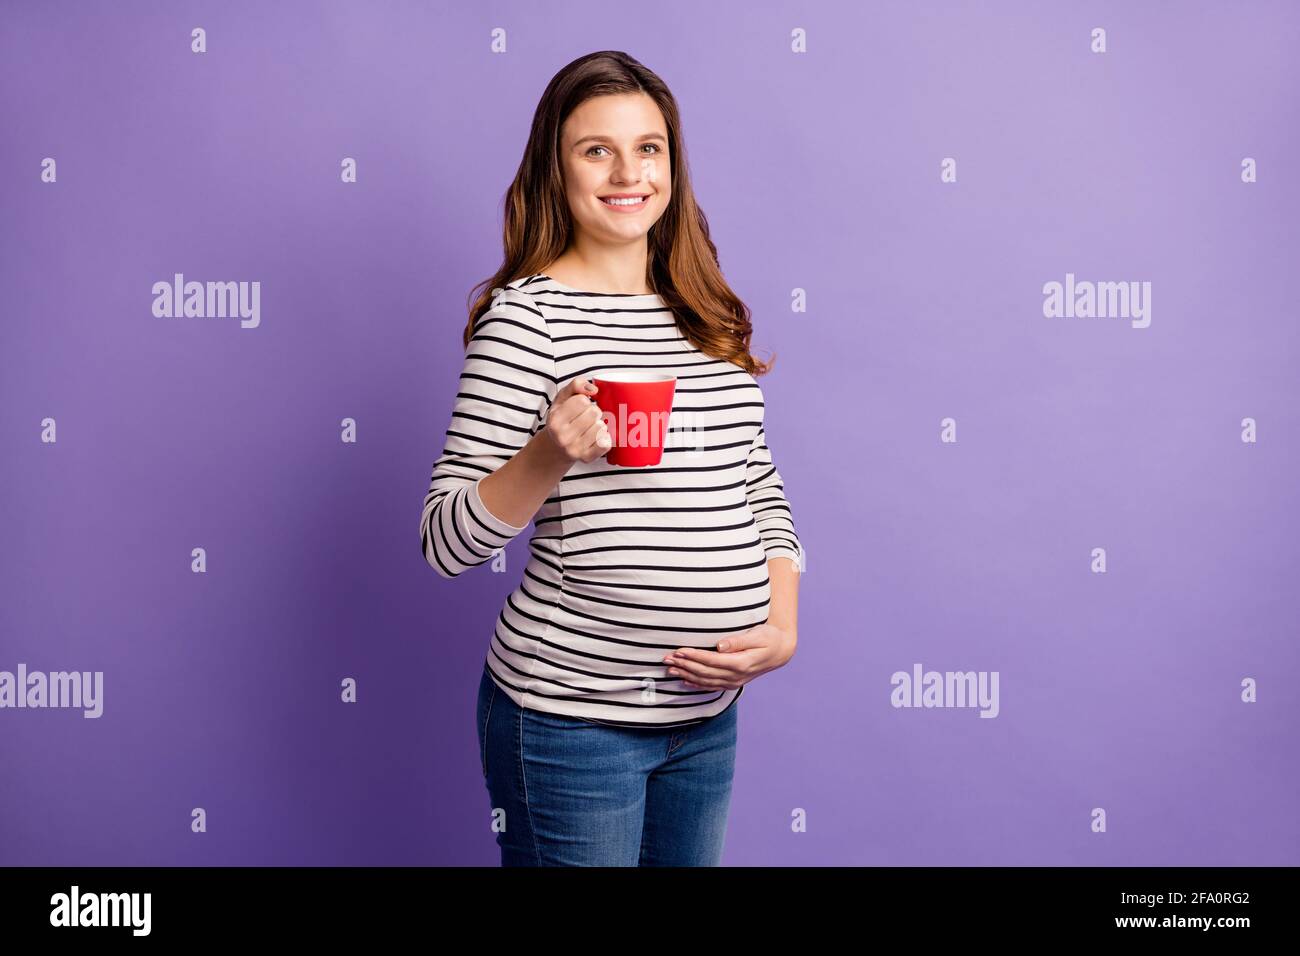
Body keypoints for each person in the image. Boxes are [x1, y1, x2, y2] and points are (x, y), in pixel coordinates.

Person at [419, 50, 803, 866]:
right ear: (555, 170)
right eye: (596, 149)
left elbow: (758, 485)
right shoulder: (527, 321)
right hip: (569, 723)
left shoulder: (708, 314)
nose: (628, 171)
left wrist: (782, 623)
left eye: (649, 147)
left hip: (705, 722)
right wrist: (549, 452)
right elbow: (443, 544)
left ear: (673, 164)